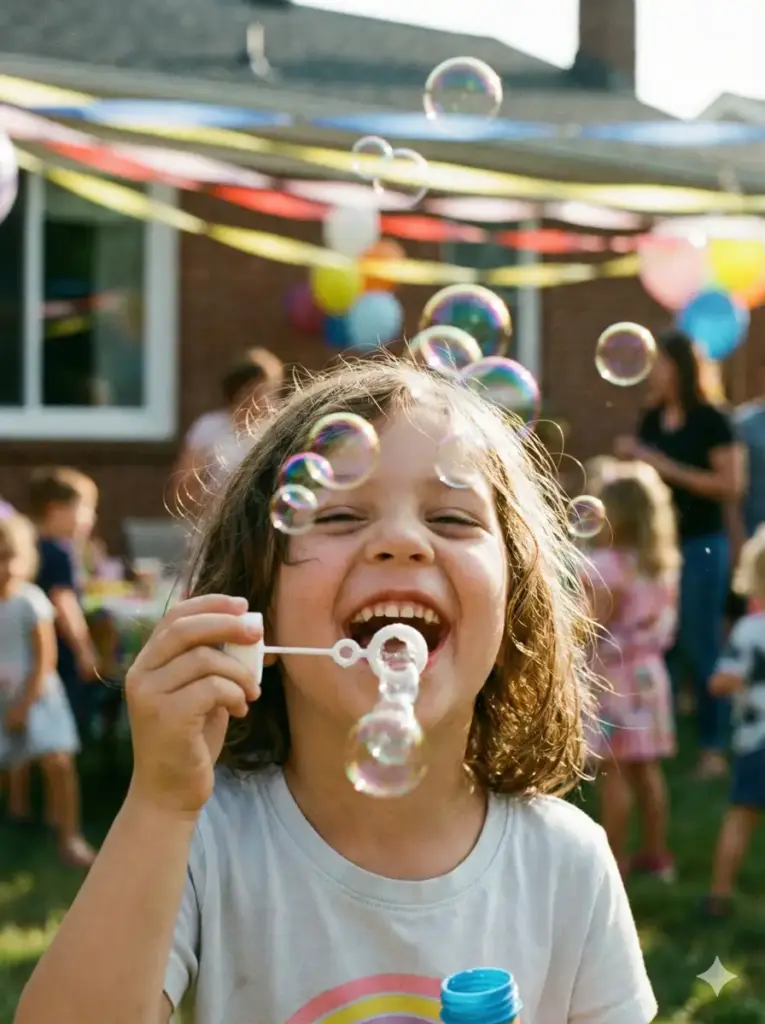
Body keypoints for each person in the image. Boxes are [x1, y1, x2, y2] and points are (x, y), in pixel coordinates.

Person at [16, 360, 658, 1024]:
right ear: (257, 592)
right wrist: (159, 802)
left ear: (514, 596)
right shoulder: (204, 841)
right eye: (342, 513)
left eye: (452, 519)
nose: (402, 542)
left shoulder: (565, 864)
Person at [615, 329, 745, 778]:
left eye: (661, 364)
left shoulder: (713, 419)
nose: (653, 372)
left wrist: (659, 465)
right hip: (657, 549)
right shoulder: (651, 418)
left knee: (701, 642)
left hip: (703, 543)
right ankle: (656, 743)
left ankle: (713, 747)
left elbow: (731, 485)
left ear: (680, 369)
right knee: (658, 645)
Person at [584, 461, 680, 881]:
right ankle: (657, 856)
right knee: (647, 770)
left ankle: (614, 865)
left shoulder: (605, 565)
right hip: (650, 677)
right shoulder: (659, 565)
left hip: (615, 680)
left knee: (614, 773)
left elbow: (592, 628)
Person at [0, 514, 94, 867]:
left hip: (38, 696)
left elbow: (45, 659)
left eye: (12, 557)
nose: (6, 566)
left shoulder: (30, 600)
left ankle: (70, 837)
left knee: (58, 762)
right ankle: (19, 817)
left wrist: (24, 705)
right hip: (4, 699)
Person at [703, 528, 765, 918]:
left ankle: (718, 897)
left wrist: (729, 680)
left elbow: (720, 681)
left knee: (740, 816)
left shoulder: (749, 629)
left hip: (755, 742)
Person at [29, 467, 102, 742]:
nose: (91, 518)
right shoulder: (60, 552)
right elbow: (64, 602)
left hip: (34, 647)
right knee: (69, 713)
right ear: (55, 509)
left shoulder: (31, 545)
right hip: (61, 649)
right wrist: (85, 650)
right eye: (84, 508)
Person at [173, 346, 285, 509]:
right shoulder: (208, 428)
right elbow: (184, 490)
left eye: (276, 391)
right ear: (244, 392)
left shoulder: (277, 433)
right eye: (267, 391)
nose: (273, 400)